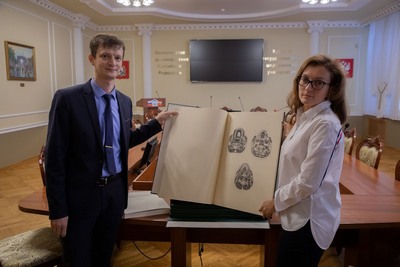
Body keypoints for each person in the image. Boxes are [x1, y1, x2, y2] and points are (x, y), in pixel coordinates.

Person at [45, 33, 177, 266]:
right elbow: (55, 159)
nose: (112, 63)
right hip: (80, 197)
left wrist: (157, 122)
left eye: (117, 58)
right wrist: (58, 210)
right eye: (105, 56)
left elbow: (125, 139)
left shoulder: (124, 102)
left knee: (103, 257)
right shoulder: (68, 98)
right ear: (92, 59)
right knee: (77, 260)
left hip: (115, 193)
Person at [259, 54, 347, 266]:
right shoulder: (305, 117)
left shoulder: (324, 124)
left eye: (318, 83)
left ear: (331, 89)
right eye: (305, 79)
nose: (308, 87)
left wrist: (275, 202)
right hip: (296, 213)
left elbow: (308, 182)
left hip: (307, 219)